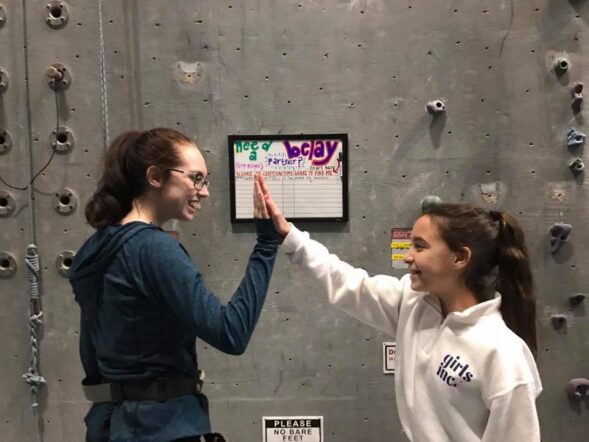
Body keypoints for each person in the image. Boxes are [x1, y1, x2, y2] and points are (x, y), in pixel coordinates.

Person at [257, 175, 542, 441]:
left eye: (420, 247)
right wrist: (291, 236)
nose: (408, 257)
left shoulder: (503, 354)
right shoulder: (413, 303)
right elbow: (348, 283)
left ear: (460, 258)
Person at [68, 128, 280, 442]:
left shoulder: (99, 247)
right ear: (155, 176)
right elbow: (230, 333)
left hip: (110, 424)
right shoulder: (152, 249)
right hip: (160, 426)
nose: (204, 191)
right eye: (195, 178)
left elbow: (91, 349)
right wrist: (266, 245)